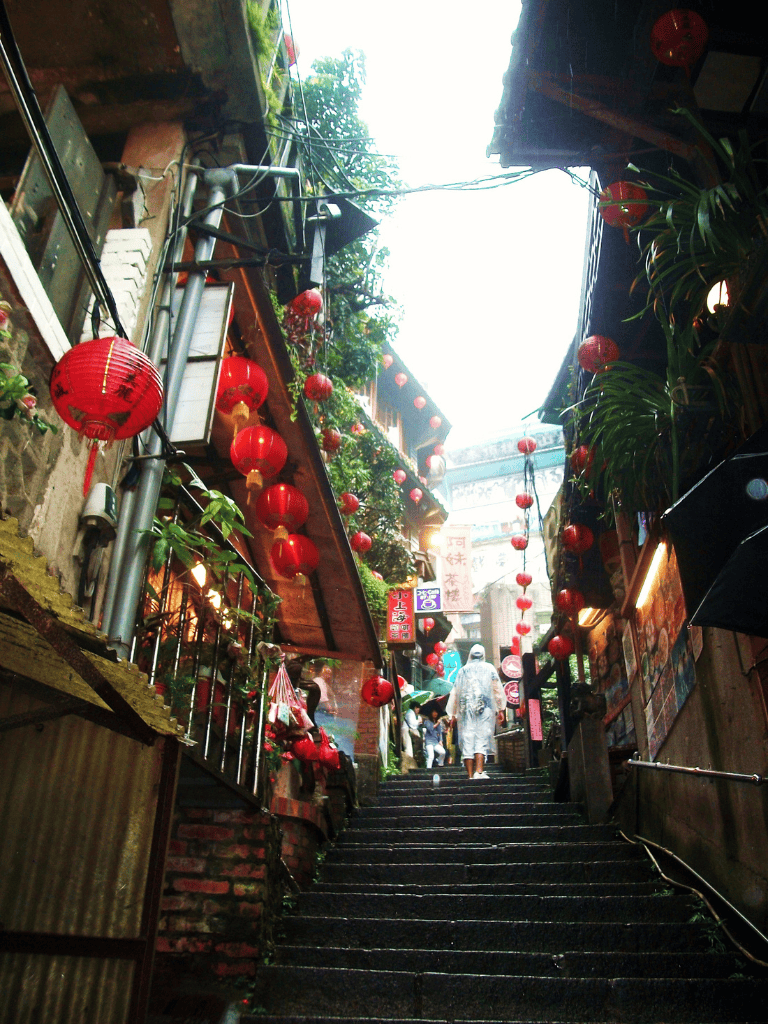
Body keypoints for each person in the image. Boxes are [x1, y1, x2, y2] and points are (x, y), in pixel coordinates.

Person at [446, 644, 506, 779]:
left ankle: (469, 775)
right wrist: (501, 708)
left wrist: (453, 714)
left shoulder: (463, 671)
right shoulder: (489, 668)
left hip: (466, 709)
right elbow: (496, 689)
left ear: (470, 655)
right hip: (485, 708)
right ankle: (479, 772)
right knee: (481, 738)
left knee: (468, 739)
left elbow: (455, 692)